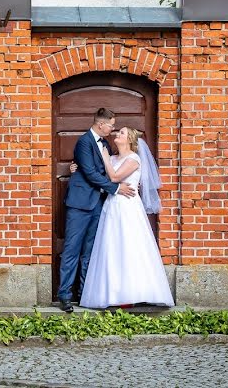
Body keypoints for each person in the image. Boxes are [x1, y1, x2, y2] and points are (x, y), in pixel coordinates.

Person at [79, 127, 174, 308]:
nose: (117, 135)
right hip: (112, 205)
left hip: (128, 207)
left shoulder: (133, 159)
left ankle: (134, 293)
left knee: (129, 245)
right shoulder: (114, 158)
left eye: (121, 133)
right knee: (111, 245)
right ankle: (113, 293)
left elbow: (114, 177)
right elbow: (101, 179)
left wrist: (105, 159)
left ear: (129, 139)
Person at [56, 108, 136, 313]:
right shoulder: (84, 142)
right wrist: (117, 188)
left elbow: (108, 170)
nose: (113, 129)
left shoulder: (106, 143)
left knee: (90, 252)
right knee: (72, 250)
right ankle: (65, 295)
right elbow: (91, 173)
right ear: (101, 124)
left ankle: (85, 293)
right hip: (80, 204)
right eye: (111, 125)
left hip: (98, 203)